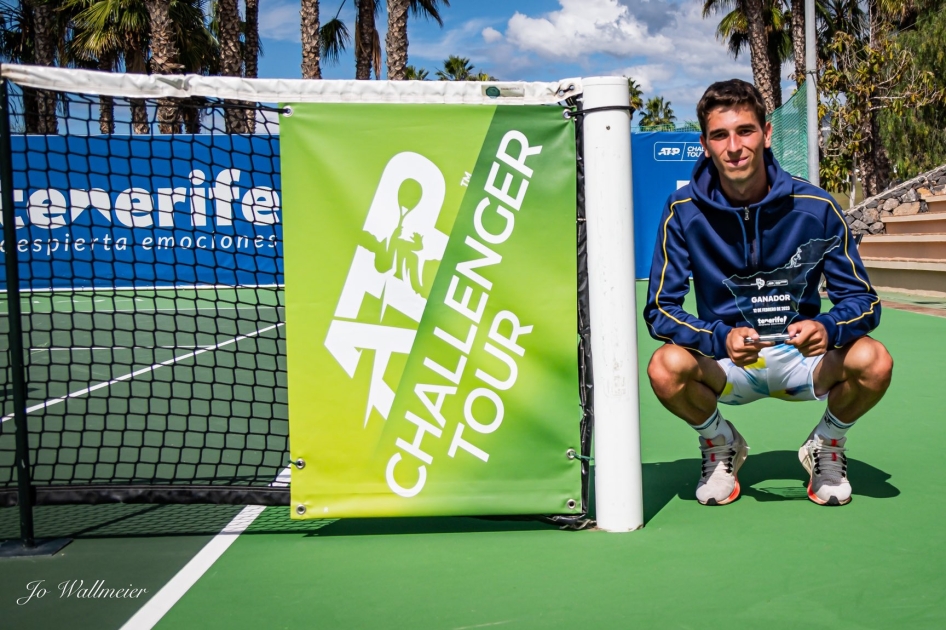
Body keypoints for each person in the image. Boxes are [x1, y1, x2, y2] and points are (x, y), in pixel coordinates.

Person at [643, 79, 893, 507]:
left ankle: (827, 444)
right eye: (720, 135)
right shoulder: (682, 210)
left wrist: (827, 326)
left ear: (767, 133)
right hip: (728, 362)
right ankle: (720, 443)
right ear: (705, 143)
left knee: (875, 360)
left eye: (745, 130)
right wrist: (718, 337)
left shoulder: (817, 207)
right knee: (664, 367)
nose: (734, 146)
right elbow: (661, 310)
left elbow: (863, 301)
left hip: (806, 361)